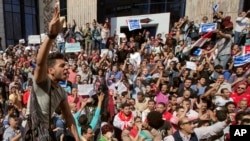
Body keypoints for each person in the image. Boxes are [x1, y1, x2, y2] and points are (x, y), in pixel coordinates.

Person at [27, 4, 80, 141]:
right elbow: (40, 63)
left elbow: (69, 117)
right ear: (50, 70)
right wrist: (51, 36)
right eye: (62, 65)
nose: (67, 68)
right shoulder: (42, 82)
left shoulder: (61, 92)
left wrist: (78, 138)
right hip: (33, 135)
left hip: (44, 135)